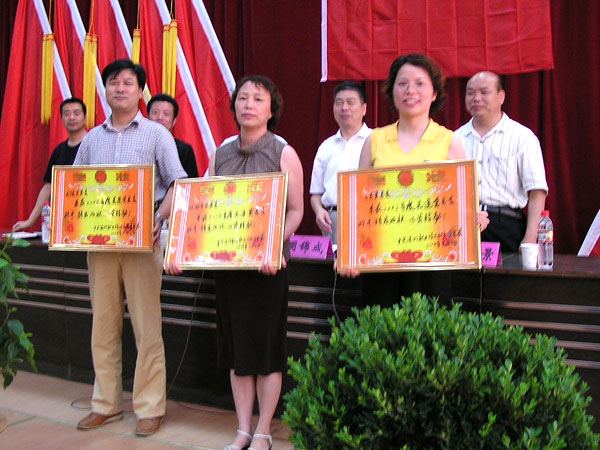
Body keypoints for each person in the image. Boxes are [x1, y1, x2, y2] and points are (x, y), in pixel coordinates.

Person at [167, 75, 303, 450]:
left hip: (267, 270)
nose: (248, 105)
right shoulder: (221, 152)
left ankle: (264, 431)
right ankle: (243, 429)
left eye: (258, 99)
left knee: (266, 351)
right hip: (229, 269)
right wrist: (179, 249)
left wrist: (273, 247)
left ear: (271, 109)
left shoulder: (283, 152)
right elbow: (202, 206)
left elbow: (295, 211)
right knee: (237, 351)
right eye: (243, 98)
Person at [74, 60, 187, 437]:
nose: (119, 88)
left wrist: (159, 218)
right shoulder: (92, 138)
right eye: (113, 82)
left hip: (143, 242)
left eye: (127, 82)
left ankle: (150, 407)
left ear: (141, 91)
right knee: (102, 324)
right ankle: (105, 404)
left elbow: (177, 183)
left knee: (146, 324)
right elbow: (75, 185)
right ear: (105, 90)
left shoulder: (156, 134)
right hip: (100, 243)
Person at [349, 54, 488, 305]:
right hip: (382, 260)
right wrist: (351, 251)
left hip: (431, 262)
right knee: (380, 325)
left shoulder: (449, 142)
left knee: (428, 326)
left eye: (420, 83)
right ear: (392, 91)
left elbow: (461, 205)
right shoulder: (374, 140)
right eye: (402, 83)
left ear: (434, 93)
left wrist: (472, 219)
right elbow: (360, 204)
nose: (410, 90)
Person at [456, 71, 548, 253]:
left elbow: (537, 191)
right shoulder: (455, 138)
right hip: (463, 225)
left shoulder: (522, 137)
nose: (476, 98)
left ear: (501, 96)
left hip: (506, 225)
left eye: (484, 92)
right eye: (470, 93)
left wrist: (530, 238)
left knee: (506, 272)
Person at [12, 98, 87, 231]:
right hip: (64, 219)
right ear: (62, 119)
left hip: (89, 217)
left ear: (85, 118)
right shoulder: (59, 151)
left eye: (76, 113)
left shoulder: (93, 145)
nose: (71, 117)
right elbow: (48, 187)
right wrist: (30, 221)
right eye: (67, 114)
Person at [310, 81, 371, 244]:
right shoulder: (326, 147)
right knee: (335, 261)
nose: (344, 108)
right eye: (339, 103)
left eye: (351, 102)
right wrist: (319, 211)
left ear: (364, 109)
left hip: (369, 217)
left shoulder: (376, 141)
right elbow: (315, 194)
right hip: (333, 220)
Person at [147, 93, 199, 178]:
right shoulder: (138, 144)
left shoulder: (184, 150)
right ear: (147, 116)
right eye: (155, 112)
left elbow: (190, 183)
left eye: (166, 114)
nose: (160, 117)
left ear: (174, 121)